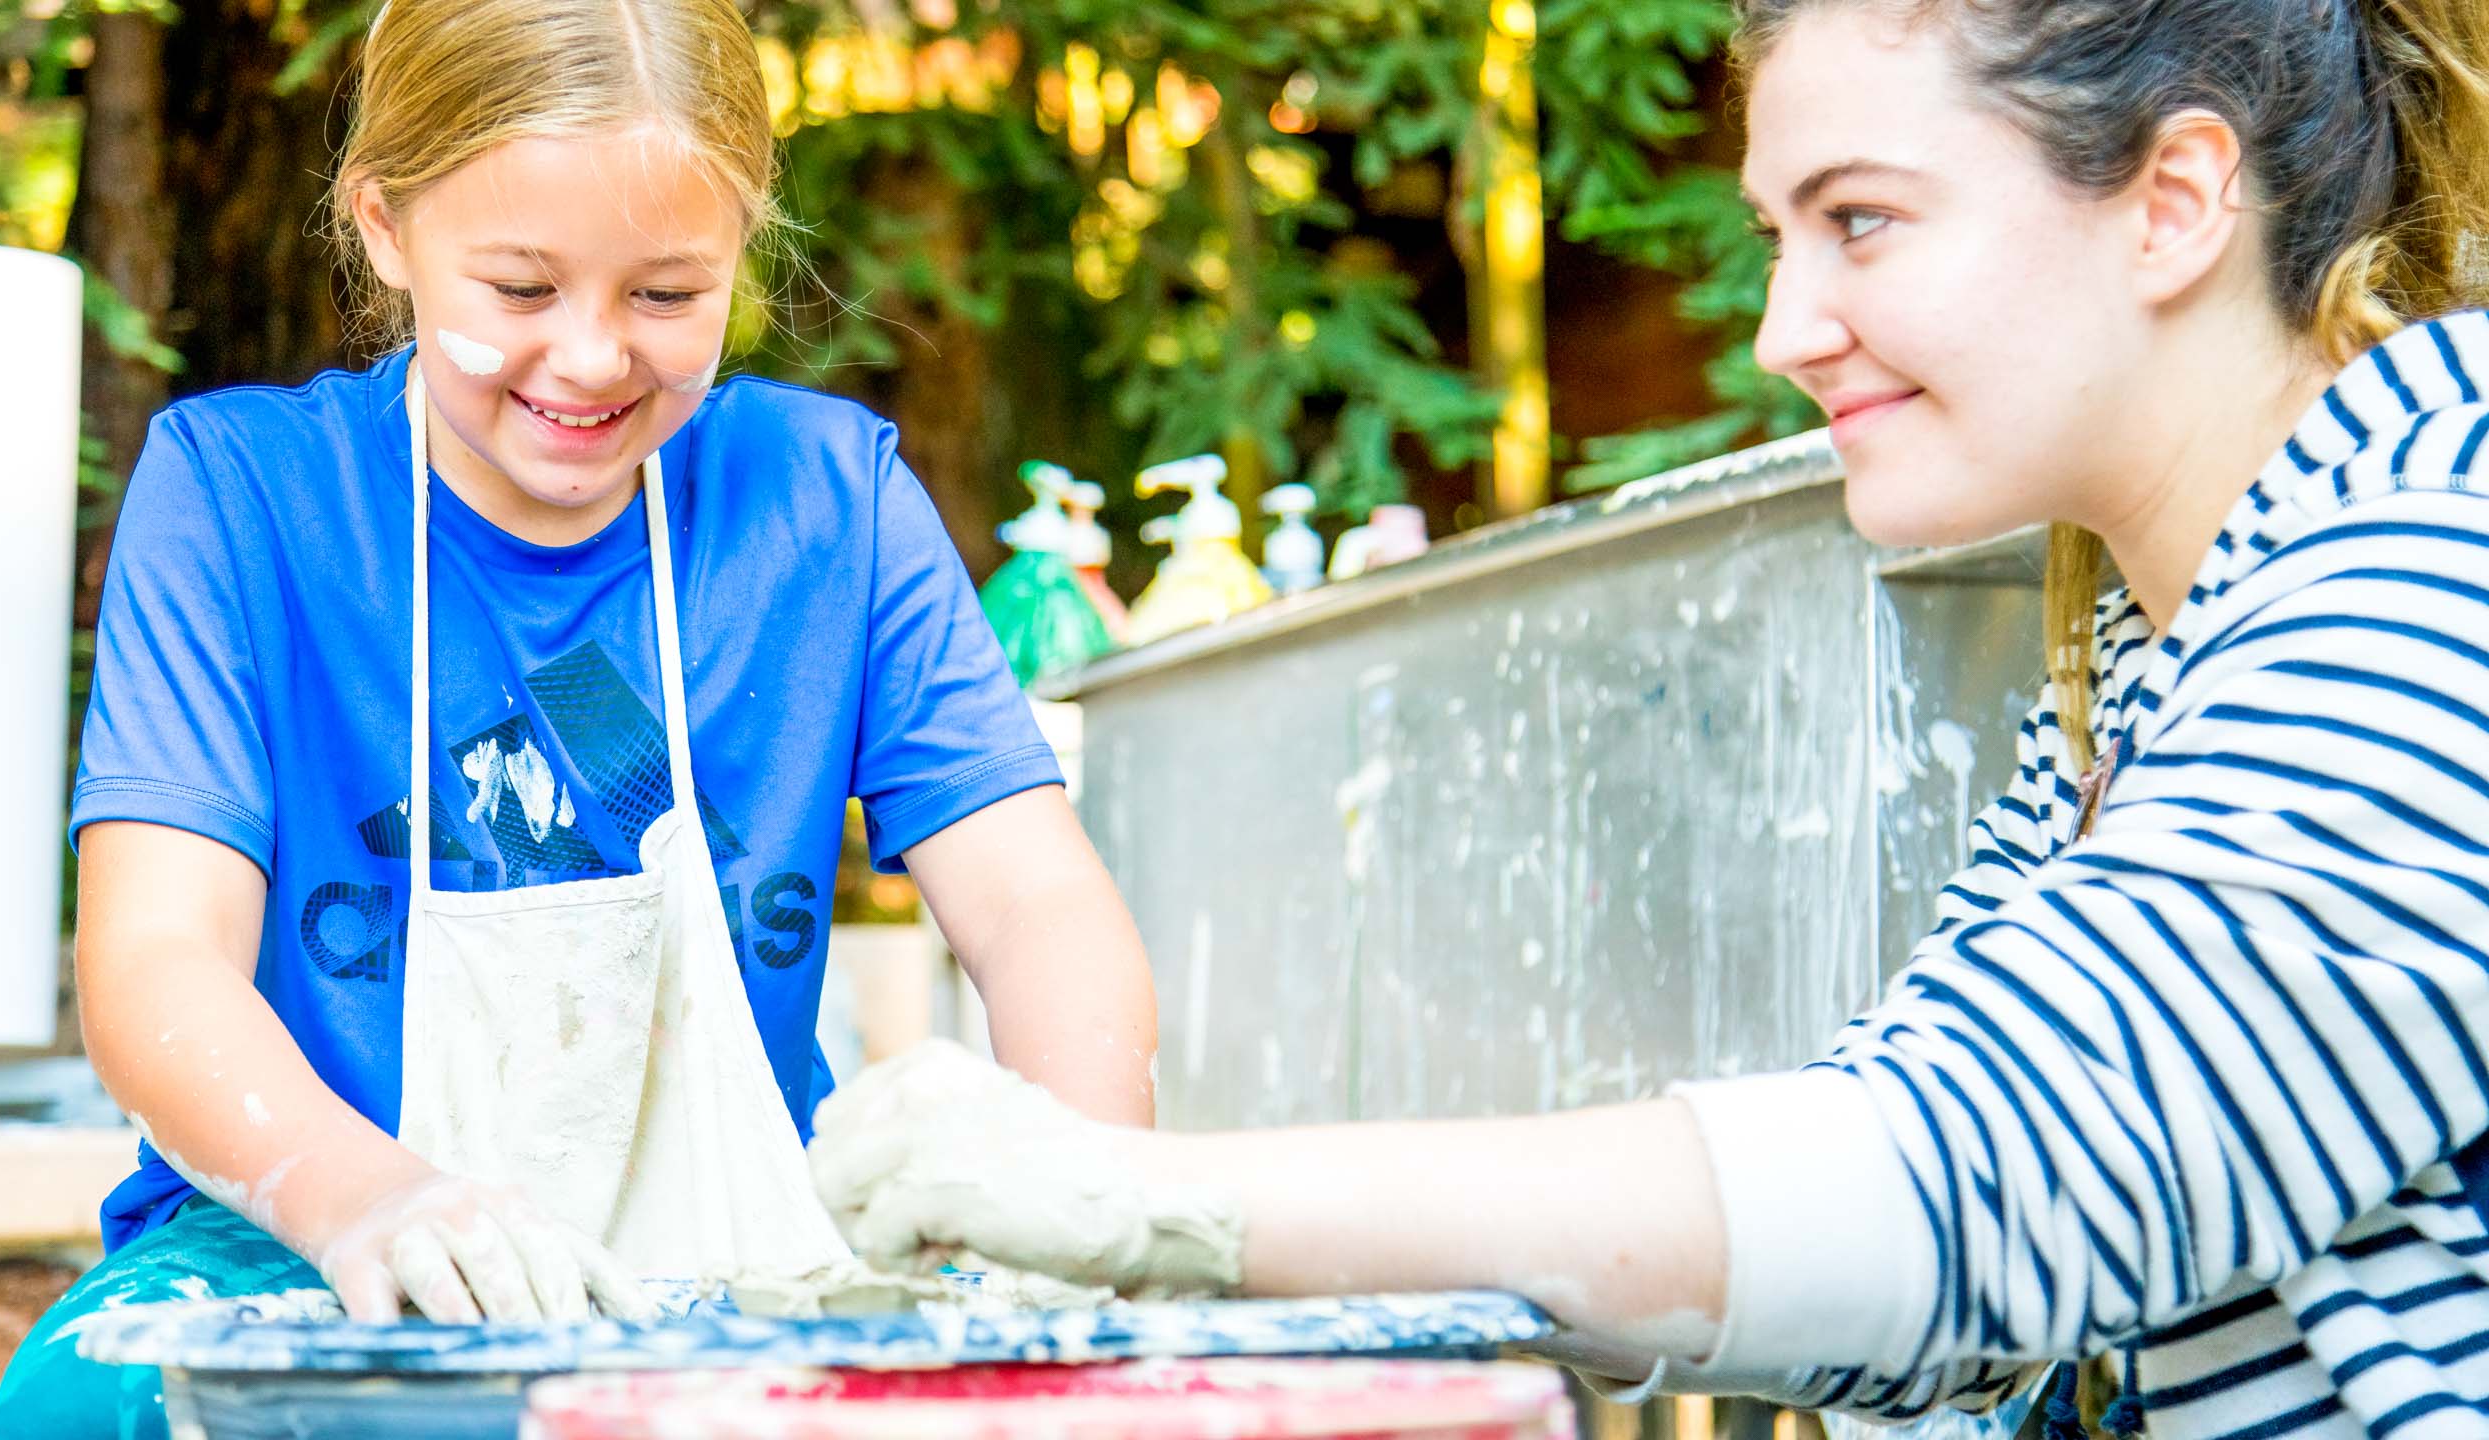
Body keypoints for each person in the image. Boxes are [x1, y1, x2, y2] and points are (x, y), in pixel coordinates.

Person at [810, 1, 2489, 1435]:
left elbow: (1968, 1190)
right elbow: (1919, 1309)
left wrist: (1163, 1206)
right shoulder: (2145, 661)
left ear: (2175, 200)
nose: (1783, 331)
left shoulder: (2432, 561)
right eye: (1781, 237)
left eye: (1866, 221)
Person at [0, 0, 1157, 1429]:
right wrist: (369, 1205)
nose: (593, 360)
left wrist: (1092, 1209)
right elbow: (156, 958)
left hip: (742, 1256)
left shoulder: (827, 504)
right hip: (297, 1240)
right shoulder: (242, 496)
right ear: (386, 228)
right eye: (522, 292)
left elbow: (1036, 905)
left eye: (667, 297)